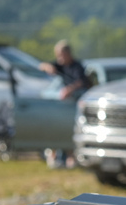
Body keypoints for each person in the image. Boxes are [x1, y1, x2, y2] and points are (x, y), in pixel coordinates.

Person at [38, 40, 91, 168]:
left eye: (61, 55)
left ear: (68, 54)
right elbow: (41, 65)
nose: (59, 58)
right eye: (57, 55)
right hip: (62, 108)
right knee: (57, 129)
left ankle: (71, 157)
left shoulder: (77, 66)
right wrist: (47, 67)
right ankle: (54, 156)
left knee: (70, 130)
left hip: (74, 106)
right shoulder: (60, 65)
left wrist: (69, 89)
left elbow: (81, 82)